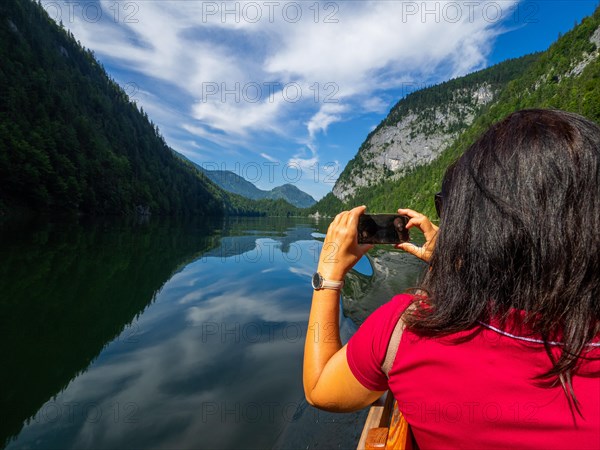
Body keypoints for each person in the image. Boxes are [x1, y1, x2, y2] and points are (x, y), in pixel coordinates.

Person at [303, 109, 600, 449]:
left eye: (448, 210)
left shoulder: (408, 328)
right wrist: (451, 261)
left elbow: (320, 389)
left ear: (473, 225)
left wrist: (327, 275)